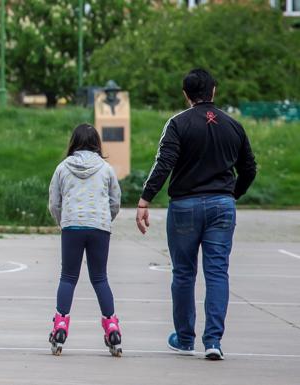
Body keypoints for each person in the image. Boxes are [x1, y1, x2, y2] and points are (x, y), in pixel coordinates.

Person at [136, 69, 257, 360]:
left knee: (184, 273)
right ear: (214, 91)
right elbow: (249, 168)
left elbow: (164, 163)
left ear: (185, 94)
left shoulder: (178, 124)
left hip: (185, 207)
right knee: (217, 273)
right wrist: (232, 194)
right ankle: (213, 341)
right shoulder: (233, 125)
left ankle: (185, 338)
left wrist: (145, 199)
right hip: (222, 205)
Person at [47, 123, 122, 357]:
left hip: (72, 225)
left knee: (68, 277)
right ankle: (112, 327)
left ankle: (60, 326)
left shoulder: (62, 168)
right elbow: (115, 200)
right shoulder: (106, 169)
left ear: (73, 142)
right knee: (100, 278)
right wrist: (105, 219)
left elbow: (54, 203)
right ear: (97, 144)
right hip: (99, 226)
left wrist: (63, 221)